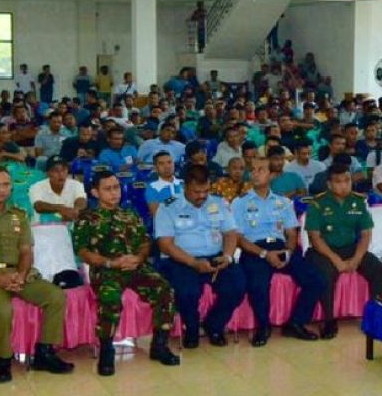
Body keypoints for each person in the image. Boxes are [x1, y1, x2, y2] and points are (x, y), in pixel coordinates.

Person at [0, 166, 74, 382]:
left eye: (6, 185)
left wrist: (22, 274)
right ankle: (3, 360)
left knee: (56, 296)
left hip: (17, 274)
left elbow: (26, 251)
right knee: (3, 310)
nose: (1, 190)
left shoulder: (19, 215)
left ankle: (44, 353)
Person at [72, 168, 179, 372]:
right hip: (106, 269)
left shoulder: (130, 214)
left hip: (135, 266)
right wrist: (110, 263)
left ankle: (159, 345)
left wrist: (138, 258)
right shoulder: (87, 218)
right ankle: (106, 351)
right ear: (95, 193)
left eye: (116, 187)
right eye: (108, 189)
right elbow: (83, 251)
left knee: (165, 289)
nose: (114, 193)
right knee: (110, 298)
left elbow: (145, 242)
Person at [233, 158, 325, 345]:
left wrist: (288, 253)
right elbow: (238, 238)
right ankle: (263, 326)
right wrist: (265, 254)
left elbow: (292, 232)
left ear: (272, 175)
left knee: (316, 280)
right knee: (258, 284)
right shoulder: (239, 202)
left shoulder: (283, 202)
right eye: (253, 170)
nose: (255, 173)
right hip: (255, 250)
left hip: (282, 247)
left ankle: (296, 323)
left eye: (261, 169)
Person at [154, 164, 247, 348]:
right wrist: (193, 263)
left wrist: (227, 256)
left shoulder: (219, 203)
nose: (202, 196)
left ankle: (214, 324)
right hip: (182, 260)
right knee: (187, 292)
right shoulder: (168, 207)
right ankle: (192, 327)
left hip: (216, 256)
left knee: (237, 285)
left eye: (206, 191)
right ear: (185, 187)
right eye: (197, 192)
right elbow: (165, 244)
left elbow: (230, 233)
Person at [304, 163, 382, 339]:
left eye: (347, 180)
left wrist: (356, 259)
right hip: (323, 251)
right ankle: (329, 321)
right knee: (326, 273)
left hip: (350, 248)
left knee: (379, 269)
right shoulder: (317, 204)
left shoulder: (357, 201)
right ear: (329, 184)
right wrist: (336, 261)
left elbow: (365, 235)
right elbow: (315, 238)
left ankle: (377, 318)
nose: (344, 185)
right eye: (338, 181)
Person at [29, 157, 87, 223]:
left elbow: (82, 200)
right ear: (48, 173)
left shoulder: (76, 185)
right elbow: (38, 206)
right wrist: (61, 208)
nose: (61, 174)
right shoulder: (37, 186)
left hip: (68, 228)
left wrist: (76, 210)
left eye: (64, 170)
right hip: (43, 228)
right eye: (56, 171)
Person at [145, 152, 183, 217]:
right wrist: (177, 196)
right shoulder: (152, 188)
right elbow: (156, 213)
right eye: (161, 163)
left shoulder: (185, 184)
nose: (167, 166)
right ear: (155, 168)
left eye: (169, 162)